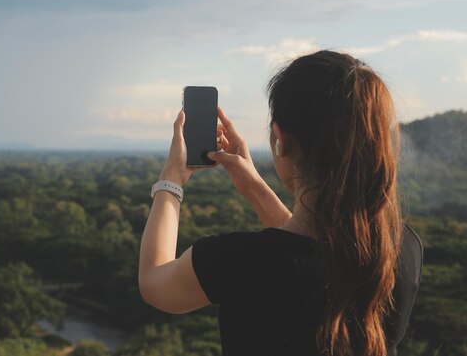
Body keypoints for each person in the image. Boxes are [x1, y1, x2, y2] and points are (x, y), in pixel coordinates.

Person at [138, 50, 423, 356]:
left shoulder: (238, 262)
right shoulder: (402, 248)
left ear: (280, 140)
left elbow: (154, 283)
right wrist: (252, 186)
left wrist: (171, 180)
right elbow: (306, 249)